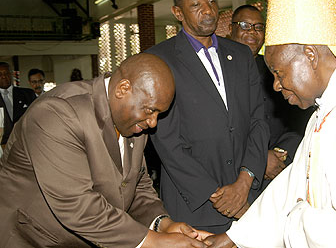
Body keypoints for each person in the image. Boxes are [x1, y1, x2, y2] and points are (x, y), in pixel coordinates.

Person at [204, 0, 336, 247]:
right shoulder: (328, 109)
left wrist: (298, 219)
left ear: (310, 55)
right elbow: (295, 179)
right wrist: (236, 237)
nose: (275, 85)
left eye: (279, 73)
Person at [0, 53, 210, 248]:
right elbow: (76, 205)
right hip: (31, 239)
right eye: (151, 110)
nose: (153, 123)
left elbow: (136, 184)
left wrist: (162, 225)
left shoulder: (134, 118)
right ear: (123, 89)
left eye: (159, 113)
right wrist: (154, 241)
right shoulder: (58, 113)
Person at [146, 0, 271, 234]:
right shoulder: (159, 60)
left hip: (249, 201)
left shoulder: (241, 55)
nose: (208, 10)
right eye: (196, 4)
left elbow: (258, 120)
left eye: (212, 1)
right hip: (196, 208)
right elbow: (167, 143)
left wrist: (245, 182)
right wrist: (216, 195)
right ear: (178, 13)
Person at [230, 4, 312, 183]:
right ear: (231, 29)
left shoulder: (278, 70)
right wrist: (258, 158)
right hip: (236, 173)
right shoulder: (219, 73)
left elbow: (298, 119)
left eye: (258, 27)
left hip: (281, 169)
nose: (252, 32)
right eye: (244, 25)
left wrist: (280, 153)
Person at [0, 62, 36, 147]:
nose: (4, 76)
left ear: (12, 74)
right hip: (2, 146)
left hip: (26, 142)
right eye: (0, 74)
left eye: (6, 73)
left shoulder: (27, 94)